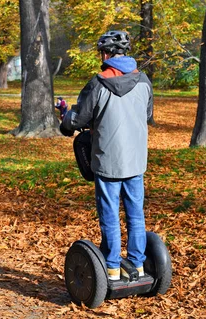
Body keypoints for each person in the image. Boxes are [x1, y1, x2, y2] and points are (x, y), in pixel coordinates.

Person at [60, 31, 153, 281]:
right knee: (135, 213)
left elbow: (79, 118)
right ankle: (137, 265)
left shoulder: (98, 83)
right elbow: (146, 115)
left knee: (110, 215)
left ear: (105, 54)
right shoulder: (143, 80)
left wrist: (66, 121)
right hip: (135, 162)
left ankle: (112, 268)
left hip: (108, 161)